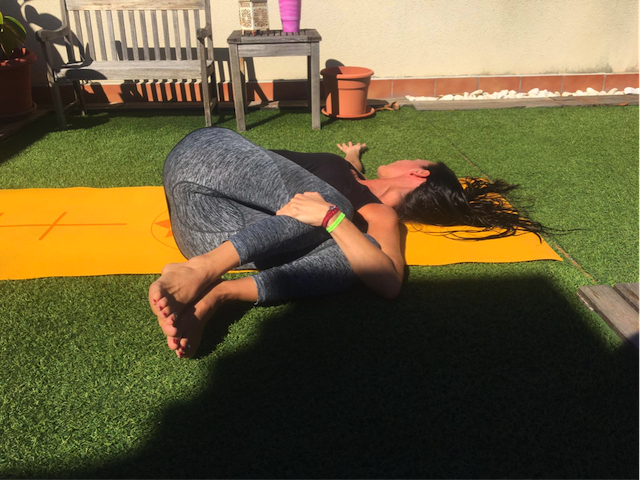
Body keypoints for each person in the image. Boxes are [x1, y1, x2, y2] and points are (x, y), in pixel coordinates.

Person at [149, 127, 544, 358]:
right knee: (334, 208)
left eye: (416, 160)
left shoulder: (380, 217)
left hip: (209, 231)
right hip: (205, 159)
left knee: (356, 255)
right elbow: (344, 180)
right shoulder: (350, 176)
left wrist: (333, 219)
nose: (407, 159)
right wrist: (353, 159)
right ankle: (205, 270)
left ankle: (218, 292)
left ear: (420, 174)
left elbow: (388, 282)